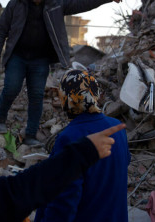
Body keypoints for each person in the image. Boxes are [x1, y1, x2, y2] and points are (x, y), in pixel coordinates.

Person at [0, 0, 124, 145]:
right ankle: (0, 119)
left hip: (40, 60)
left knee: (37, 96)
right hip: (18, 56)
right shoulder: (16, 4)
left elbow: (82, 2)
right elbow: (1, 29)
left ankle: (30, 135)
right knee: (11, 89)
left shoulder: (57, 4)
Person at [34, 69, 130, 222]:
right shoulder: (117, 128)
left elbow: (63, 202)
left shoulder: (69, 137)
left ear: (67, 97)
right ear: (94, 94)